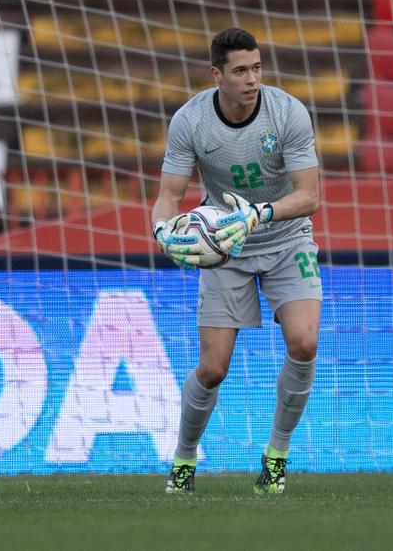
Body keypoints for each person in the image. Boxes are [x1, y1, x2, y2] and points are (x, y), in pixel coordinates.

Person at [151, 27, 322, 495]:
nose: (252, 79)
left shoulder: (288, 112)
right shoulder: (189, 121)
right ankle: (184, 462)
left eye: (257, 68)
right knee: (213, 368)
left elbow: (309, 196)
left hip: (286, 237)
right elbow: (168, 196)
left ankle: (276, 458)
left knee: (304, 342)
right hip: (225, 245)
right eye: (241, 71)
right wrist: (163, 231)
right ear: (216, 74)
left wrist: (262, 213)